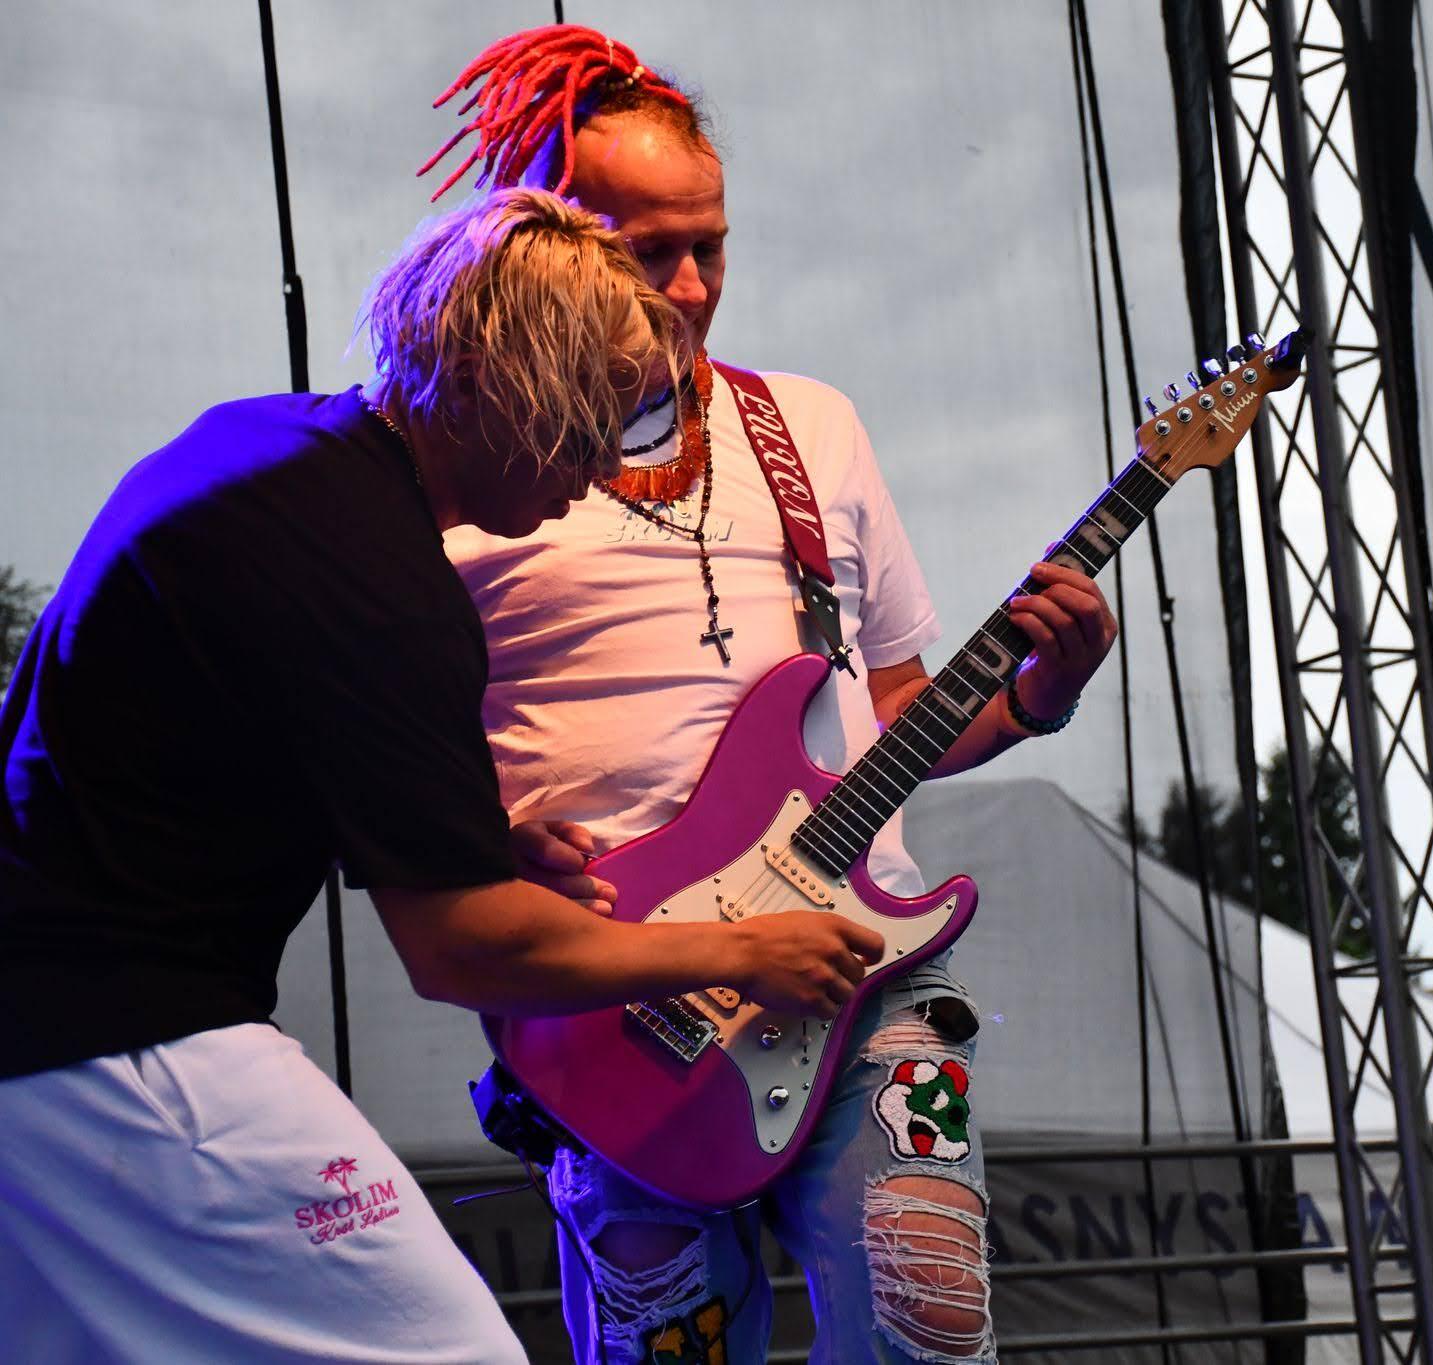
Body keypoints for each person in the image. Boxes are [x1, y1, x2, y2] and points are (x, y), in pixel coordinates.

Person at [0, 186, 892, 1362]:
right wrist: (739, 951)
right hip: (121, 1043)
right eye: (587, 417)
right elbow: (466, 950)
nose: (599, 465)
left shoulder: (256, 451)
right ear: (490, 381)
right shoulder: (387, 587)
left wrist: (454, 825)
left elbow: (194, 767)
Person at [421, 25, 1119, 1365]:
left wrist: (1040, 694)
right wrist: (485, 846)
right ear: (544, 239)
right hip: (617, 1015)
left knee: (932, 1330)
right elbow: (389, 773)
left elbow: (894, 711)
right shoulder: (461, 475)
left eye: (713, 247)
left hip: (866, 971)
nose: (690, 288)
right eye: (648, 253)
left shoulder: (813, 430)